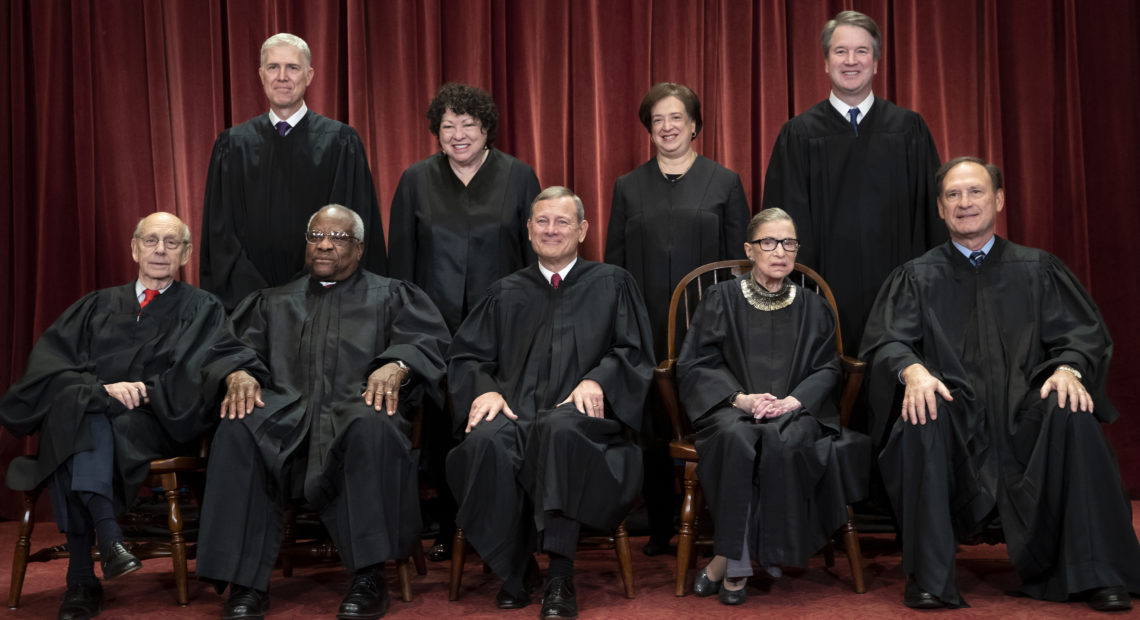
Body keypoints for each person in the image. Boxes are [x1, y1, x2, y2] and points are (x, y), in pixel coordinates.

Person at [861, 157, 1140, 611]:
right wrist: (912, 371)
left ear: (999, 200)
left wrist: (1068, 368)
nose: (964, 202)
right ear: (939, 207)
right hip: (954, 413)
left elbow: (1082, 335)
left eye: (975, 192)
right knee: (921, 413)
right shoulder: (917, 276)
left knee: (1071, 411)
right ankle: (929, 578)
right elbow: (889, 340)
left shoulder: (1038, 269)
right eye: (953, 194)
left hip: (1027, 413)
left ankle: (1098, 573)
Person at [195, 205, 450, 620]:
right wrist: (237, 372)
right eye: (317, 236)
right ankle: (246, 585)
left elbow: (427, 341)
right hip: (285, 414)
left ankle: (369, 578)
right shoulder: (273, 302)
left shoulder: (392, 294)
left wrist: (398, 364)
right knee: (239, 426)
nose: (326, 244)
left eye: (339, 237)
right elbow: (229, 350)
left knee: (373, 425)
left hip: (355, 409)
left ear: (360, 247)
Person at [0, 212, 225, 620]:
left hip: (153, 422)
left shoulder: (203, 309)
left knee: (76, 419)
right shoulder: (95, 305)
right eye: (151, 240)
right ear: (134, 247)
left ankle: (83, 578)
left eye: (171, 243)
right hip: (92, 417)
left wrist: (132, 393)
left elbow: (194, 379)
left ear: (186, 253)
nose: (160, 250)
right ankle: (110, 539)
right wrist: (100, 390)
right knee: (84, 412)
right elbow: (47, 370)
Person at [446, 186, 655, 619]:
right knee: (485, 441)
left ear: (582, 230)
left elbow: (634, 353)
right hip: (516, 413)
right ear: (528, 230)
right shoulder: (504, 292)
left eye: (562, 221)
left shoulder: (613, 283)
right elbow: (468, 356)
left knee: (559, 430)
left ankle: (560, 574)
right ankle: (515, 568)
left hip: (585, 423)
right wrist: (483, 388)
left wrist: (598, 379)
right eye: (542, 221)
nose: (551, 230)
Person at [676, 209, 868, 605]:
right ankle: (740, 563)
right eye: (769, 241)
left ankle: (725, 561)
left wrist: (794, 401)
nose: (780, 251)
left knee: (785, 440)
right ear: (750, 249)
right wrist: (741, 399)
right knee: (737, 436)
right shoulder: (720, 299)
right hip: (732, 408)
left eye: (789, 243)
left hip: (795, 410)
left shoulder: (814, 306)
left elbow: (828, 368)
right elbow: (695, 363)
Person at [388, 82, 540, 560]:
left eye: (468, 125)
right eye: (448, 126)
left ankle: (510, 522)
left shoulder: (518, 177)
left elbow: (535, 252)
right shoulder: (415, 179)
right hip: (435, 326)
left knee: (501, 419)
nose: (458, 135)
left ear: (486, 129)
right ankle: (449, 523)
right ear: (436, 131)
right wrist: (409, 324)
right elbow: (403, 263)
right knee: (440, 427)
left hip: (505, 326)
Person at [606, 81, 750, 556]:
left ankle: (715, 518)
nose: (667, 128)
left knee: (709, 417)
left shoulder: (724, 182)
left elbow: (738, 265)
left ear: (695, 126)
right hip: (645, 323)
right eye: (658, 121)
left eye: (677, 119)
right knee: (650, 424)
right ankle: (662, 524)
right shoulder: (628, 187)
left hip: (708, 328)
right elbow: (615, 264)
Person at [762, 10, 945, 359]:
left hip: (900, 293)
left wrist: (927, 288)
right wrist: (804, 293)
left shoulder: (909, 129)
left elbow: (932, 217)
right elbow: (782, 223)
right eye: (840, 51)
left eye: (861, 51)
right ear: (826, 61)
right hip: (824, 295)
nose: (851, 60)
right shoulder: (799, 135)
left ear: (876, 63)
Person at [200, 32, 387, 312]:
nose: (282, 76)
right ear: (261, 74)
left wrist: (304, 288)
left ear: (309, 75)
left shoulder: (341, 142)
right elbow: (220, 234)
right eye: (273, 67)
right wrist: (259, 296)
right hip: (248, 304)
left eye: (293, 67)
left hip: (325, 301)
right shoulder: (232, 144)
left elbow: (353, 228)